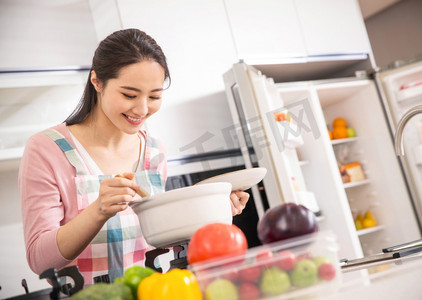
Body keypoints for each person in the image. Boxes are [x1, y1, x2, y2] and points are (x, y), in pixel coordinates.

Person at [18, 28, 249, 284]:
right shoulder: (47, 149)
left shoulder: (154, 151)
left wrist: (212, 211)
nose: (141, 109)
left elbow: (166, 240)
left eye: (154, 96)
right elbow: (39, 260)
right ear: (97, 82)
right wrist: (98, 211)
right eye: (129, 95)